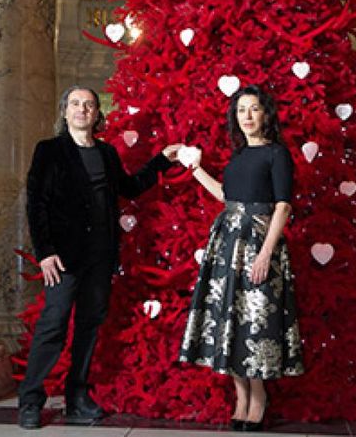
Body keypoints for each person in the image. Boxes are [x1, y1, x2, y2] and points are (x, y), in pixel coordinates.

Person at [18, 85, 180, 430]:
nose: (82, 109)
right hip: (63, 258)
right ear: (65, 112)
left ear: (96, 113)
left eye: (88, 105)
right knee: (54, 325)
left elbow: (130, 188)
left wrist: (162, 160)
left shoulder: (106, 153)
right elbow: (37, 204)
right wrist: (45, 252)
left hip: (101, 256)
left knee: (89, 327)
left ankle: (77, 398)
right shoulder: (49, 151)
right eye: (75, 104)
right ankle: (31, 400)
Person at [179, 84, 304, 432]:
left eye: (253, 109)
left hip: (259, 243)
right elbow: (225, 194)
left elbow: (283, 205)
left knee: (255, 320)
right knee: (228, 318)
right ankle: (240, 397)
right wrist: (195, 168)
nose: (247, 116)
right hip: (227, 244)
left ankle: (259, 395)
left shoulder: (277, 154)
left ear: (266, 114)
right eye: (241, 110)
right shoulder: (237, 157)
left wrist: (265, 253)